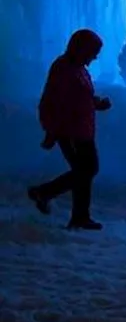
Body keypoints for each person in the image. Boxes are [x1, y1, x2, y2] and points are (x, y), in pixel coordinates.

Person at [28, 29, 112, 230]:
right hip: (69, 130)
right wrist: (52, 132)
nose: (95, 56)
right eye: (93, 51)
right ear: (81, 48)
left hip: (82, 129)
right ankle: (45, 193)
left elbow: (81, 97)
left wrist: (97, 104)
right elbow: (56, 102)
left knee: (85, 170)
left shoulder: (79, 69)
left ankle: (79, 215)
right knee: (87, 169)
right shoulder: (64, 68)